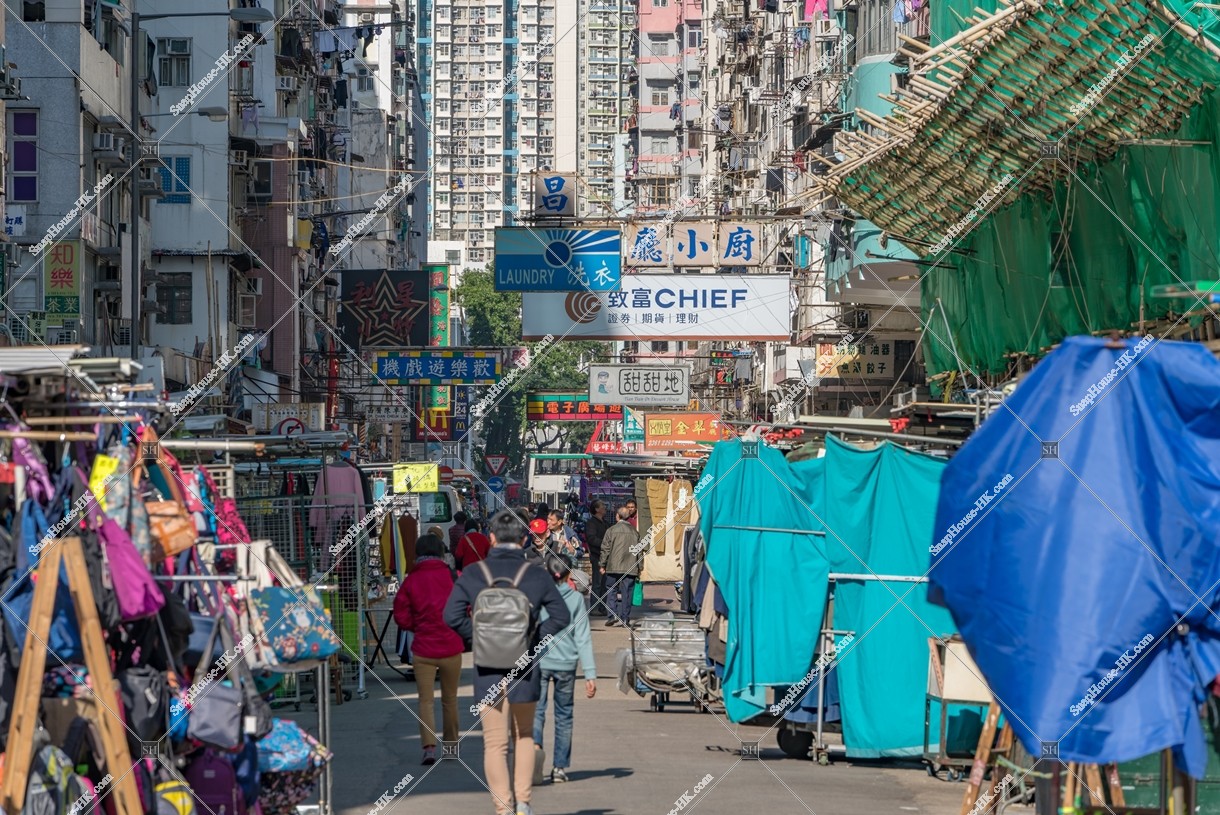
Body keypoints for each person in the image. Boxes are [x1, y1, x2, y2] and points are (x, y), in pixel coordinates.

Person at [443, 510, 571, 815]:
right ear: (524, 539)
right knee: (524, 735)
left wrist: (478, 640)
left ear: (491, 539)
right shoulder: (536, 574)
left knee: (495, 743)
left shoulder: (475, 574)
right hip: (525, 667)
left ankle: (503, 808)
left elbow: (451, 616)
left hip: (487, 668)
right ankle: (523, 803)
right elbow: (561, 617)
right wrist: (534, 640)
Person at [393, 534, 464, 765]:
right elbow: (467, 607)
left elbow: (400, 613)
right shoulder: (454, 577)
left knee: (425, 701)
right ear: (441, 552)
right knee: (450, 699)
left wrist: (416, 625)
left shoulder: (411, 581)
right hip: (451, 646)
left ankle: (429, 748)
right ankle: (451, 748)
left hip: (423, 649)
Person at [534, 555, 596, 784]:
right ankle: (559, 767)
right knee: (564, 715)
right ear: (570, 575)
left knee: (537, 711)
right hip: (567, 665)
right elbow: (583, 638)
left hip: (540, 661)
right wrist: (589, 672)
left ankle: (534, 750)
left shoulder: (539, 597)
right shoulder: (577, 600)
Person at [600, 506, 641, 627]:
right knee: (627, 592)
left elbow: (605, 549)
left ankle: (612, 615)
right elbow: (639, 551)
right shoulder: (635, 532)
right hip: (630, 567)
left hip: (613, 565)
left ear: (617, 516)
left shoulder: (611, 530)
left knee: (611, 589)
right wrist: (640, 567)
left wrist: (602, 564)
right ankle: (625, 618)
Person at [584, 501, 609, 616]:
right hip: (597, 556)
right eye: (602, 506)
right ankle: (594, 607)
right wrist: (605, 544)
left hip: (606, 556)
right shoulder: (591, 523)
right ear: (597, 509)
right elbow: (591, 539)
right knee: (597, 583)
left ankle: (602, 607)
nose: (605, 508)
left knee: (604, 584)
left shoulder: (605, 523)